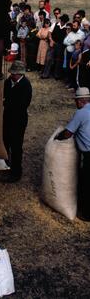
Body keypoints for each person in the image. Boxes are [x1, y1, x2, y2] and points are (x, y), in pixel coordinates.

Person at [55, 87, 90, 220]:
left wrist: (57, 138)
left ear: (80, 101)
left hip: (89, 154)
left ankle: (87, 214)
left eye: (76, 101)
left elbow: (68, 133)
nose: (76, 103)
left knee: (87, 183)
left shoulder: (81, 113)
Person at [3, 60, 32, 182]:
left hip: (18, 120)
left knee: (16, 147)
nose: (11, 75)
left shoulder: (26, 85)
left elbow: (23, 104)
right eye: (11, 73)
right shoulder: (7, 82)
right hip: (7, 117)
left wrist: (7, 103)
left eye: (14, 74)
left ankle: (16, 172)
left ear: (20, 74)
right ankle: (4, 166)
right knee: (5, 142)